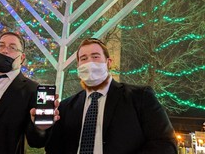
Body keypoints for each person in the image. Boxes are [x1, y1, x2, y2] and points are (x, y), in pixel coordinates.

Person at [45, 38, 178, 154]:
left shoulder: (140, 97)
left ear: (108, 62)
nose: (89, 62)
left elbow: (165, 144)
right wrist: (42, 127)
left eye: (95, 56)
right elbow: (53, 147)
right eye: (83, 58)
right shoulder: (66, 107)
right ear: (78, 66)